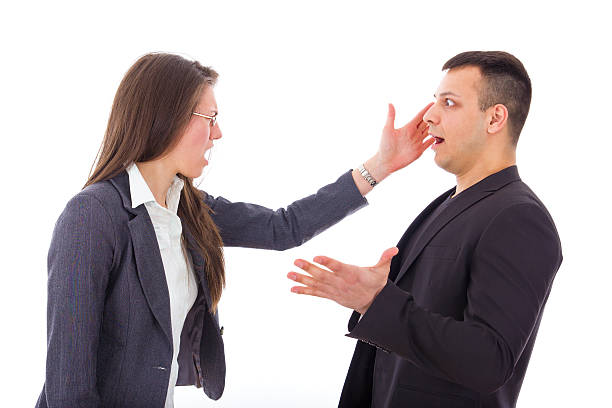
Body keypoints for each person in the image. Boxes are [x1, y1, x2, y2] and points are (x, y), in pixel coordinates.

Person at [35, 52, 433, 408]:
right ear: (167, 118)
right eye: (210, 119)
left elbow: (283, 227)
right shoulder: (92, 215)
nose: (218, 134)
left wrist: (380, 166)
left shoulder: (188, 207)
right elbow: (68, 387)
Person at [289, 51, 563, 408]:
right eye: (435, 101)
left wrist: (377, 303)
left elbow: (488, 361)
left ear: (495, 118)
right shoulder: (446, 203)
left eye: (449, 103)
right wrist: (379, 297)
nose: (430, 116)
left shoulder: (521, 219)